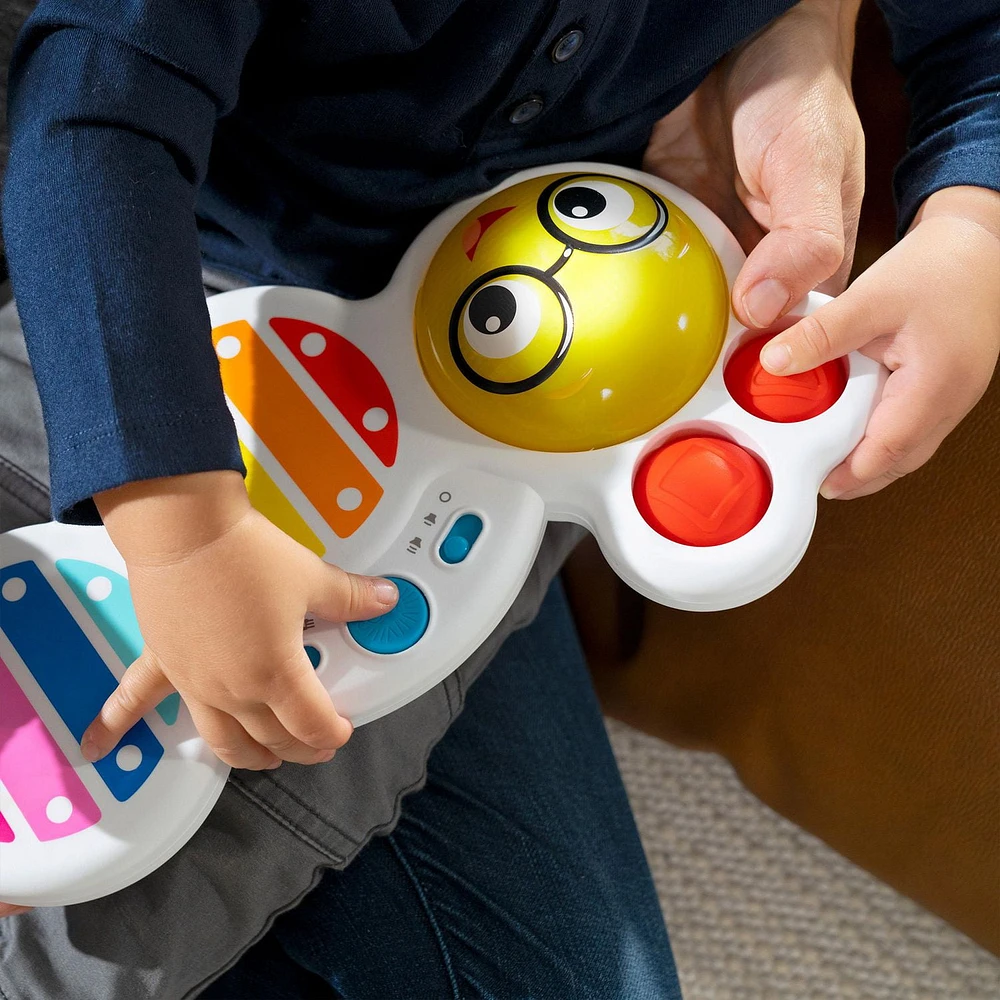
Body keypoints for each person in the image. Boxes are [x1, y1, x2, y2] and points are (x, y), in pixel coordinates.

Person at [0, 0, 997, 996]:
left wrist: (971, 226)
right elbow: (94, 111)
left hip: (522, 418)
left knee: (227, 834)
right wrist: (181, 530)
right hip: (165, 295)